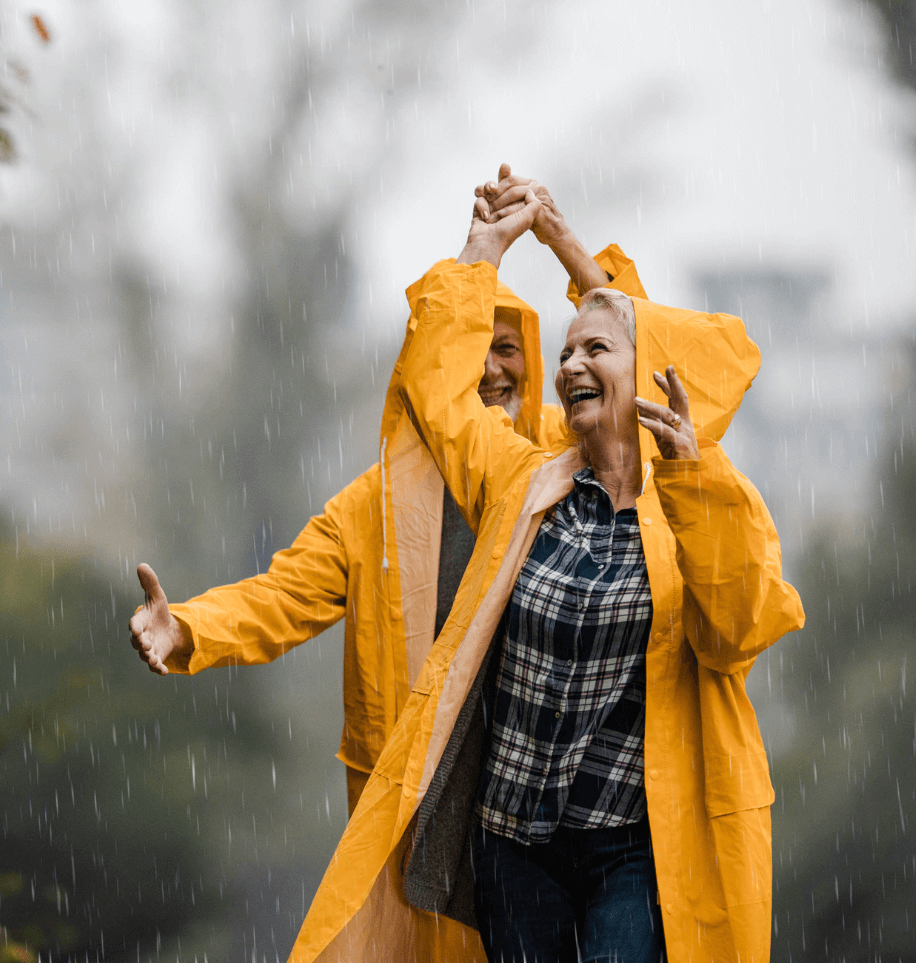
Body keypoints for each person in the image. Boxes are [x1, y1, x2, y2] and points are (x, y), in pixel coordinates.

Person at [285, 190, 804, 963]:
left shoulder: (703, 494)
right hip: (512, 845)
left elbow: (738, 633)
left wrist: (564, 242)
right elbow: (441, 394)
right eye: (563, 353)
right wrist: (483, 256)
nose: (568, 365)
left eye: (595, 350)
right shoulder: (523, 478)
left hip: (631, 846)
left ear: (650, 374)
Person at [128, 167, 648, 819]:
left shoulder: (567, 458)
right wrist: (187, 630)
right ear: (436, 369)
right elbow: (278, 600)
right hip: (415, 803)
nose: (490, 368)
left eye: (508, 348)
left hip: (550, 806)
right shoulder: (371, 507)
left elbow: (649, 370)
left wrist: (565, 242)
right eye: (472, 350)